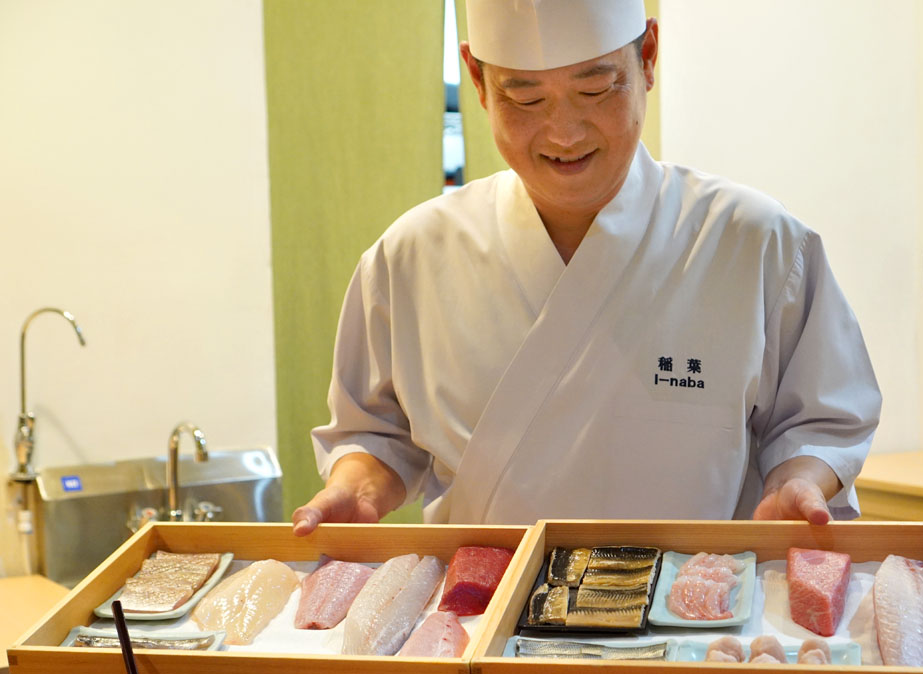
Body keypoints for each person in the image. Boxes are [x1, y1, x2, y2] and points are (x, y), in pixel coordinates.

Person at [291, 0, 881, 535]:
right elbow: (376, 432)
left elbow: (821, 420)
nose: (563, 132)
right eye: (525, 98)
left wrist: (800, 480)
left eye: (597, 88)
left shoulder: (754, 241)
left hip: (694, 620)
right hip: (487, 621)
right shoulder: (411, 256)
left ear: (647, 57)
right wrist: (355, 486)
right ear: (477, 79)